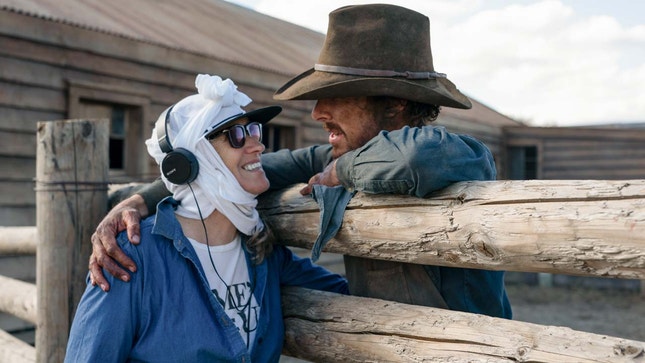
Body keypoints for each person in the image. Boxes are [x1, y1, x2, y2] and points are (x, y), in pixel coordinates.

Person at [90, 4, 511, 319]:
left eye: (337, 95)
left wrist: (338, 173)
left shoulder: (454, 153)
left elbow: (413, 161)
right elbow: (236, 170)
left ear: (395, 103)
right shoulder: (339, 154)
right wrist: (138, 202)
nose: (317, 112)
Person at [65, 74, 348, 362]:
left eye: (254, 131)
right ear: (189, 161)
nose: (258, 145)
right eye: (237, 137)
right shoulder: (132, 257)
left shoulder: (263, 254)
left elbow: (350, 298)